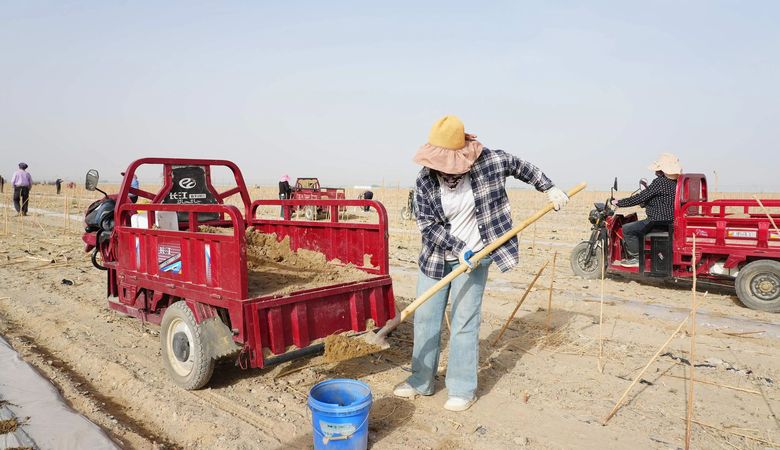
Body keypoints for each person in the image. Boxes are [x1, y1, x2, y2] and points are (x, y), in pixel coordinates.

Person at [393, 115, 569, 411]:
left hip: (476, 257)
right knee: (426, 319)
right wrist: (457, 247)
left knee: (464, 322)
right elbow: (427, 224)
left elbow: (522, 167)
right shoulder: (424, 179)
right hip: (436, 258)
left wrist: (548, 187)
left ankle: (462, 388)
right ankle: (420, 381)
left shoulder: (491, 161)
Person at [611, 153, 681, 267]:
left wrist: (619, 202)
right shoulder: (676, 183)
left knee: (627, 230)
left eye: (658, 170)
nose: (656, 173)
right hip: (670, 222)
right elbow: (659, 200)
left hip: (657, 221)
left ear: (663, 171)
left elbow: (640, 198)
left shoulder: (660, 182)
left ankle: (637, 258)